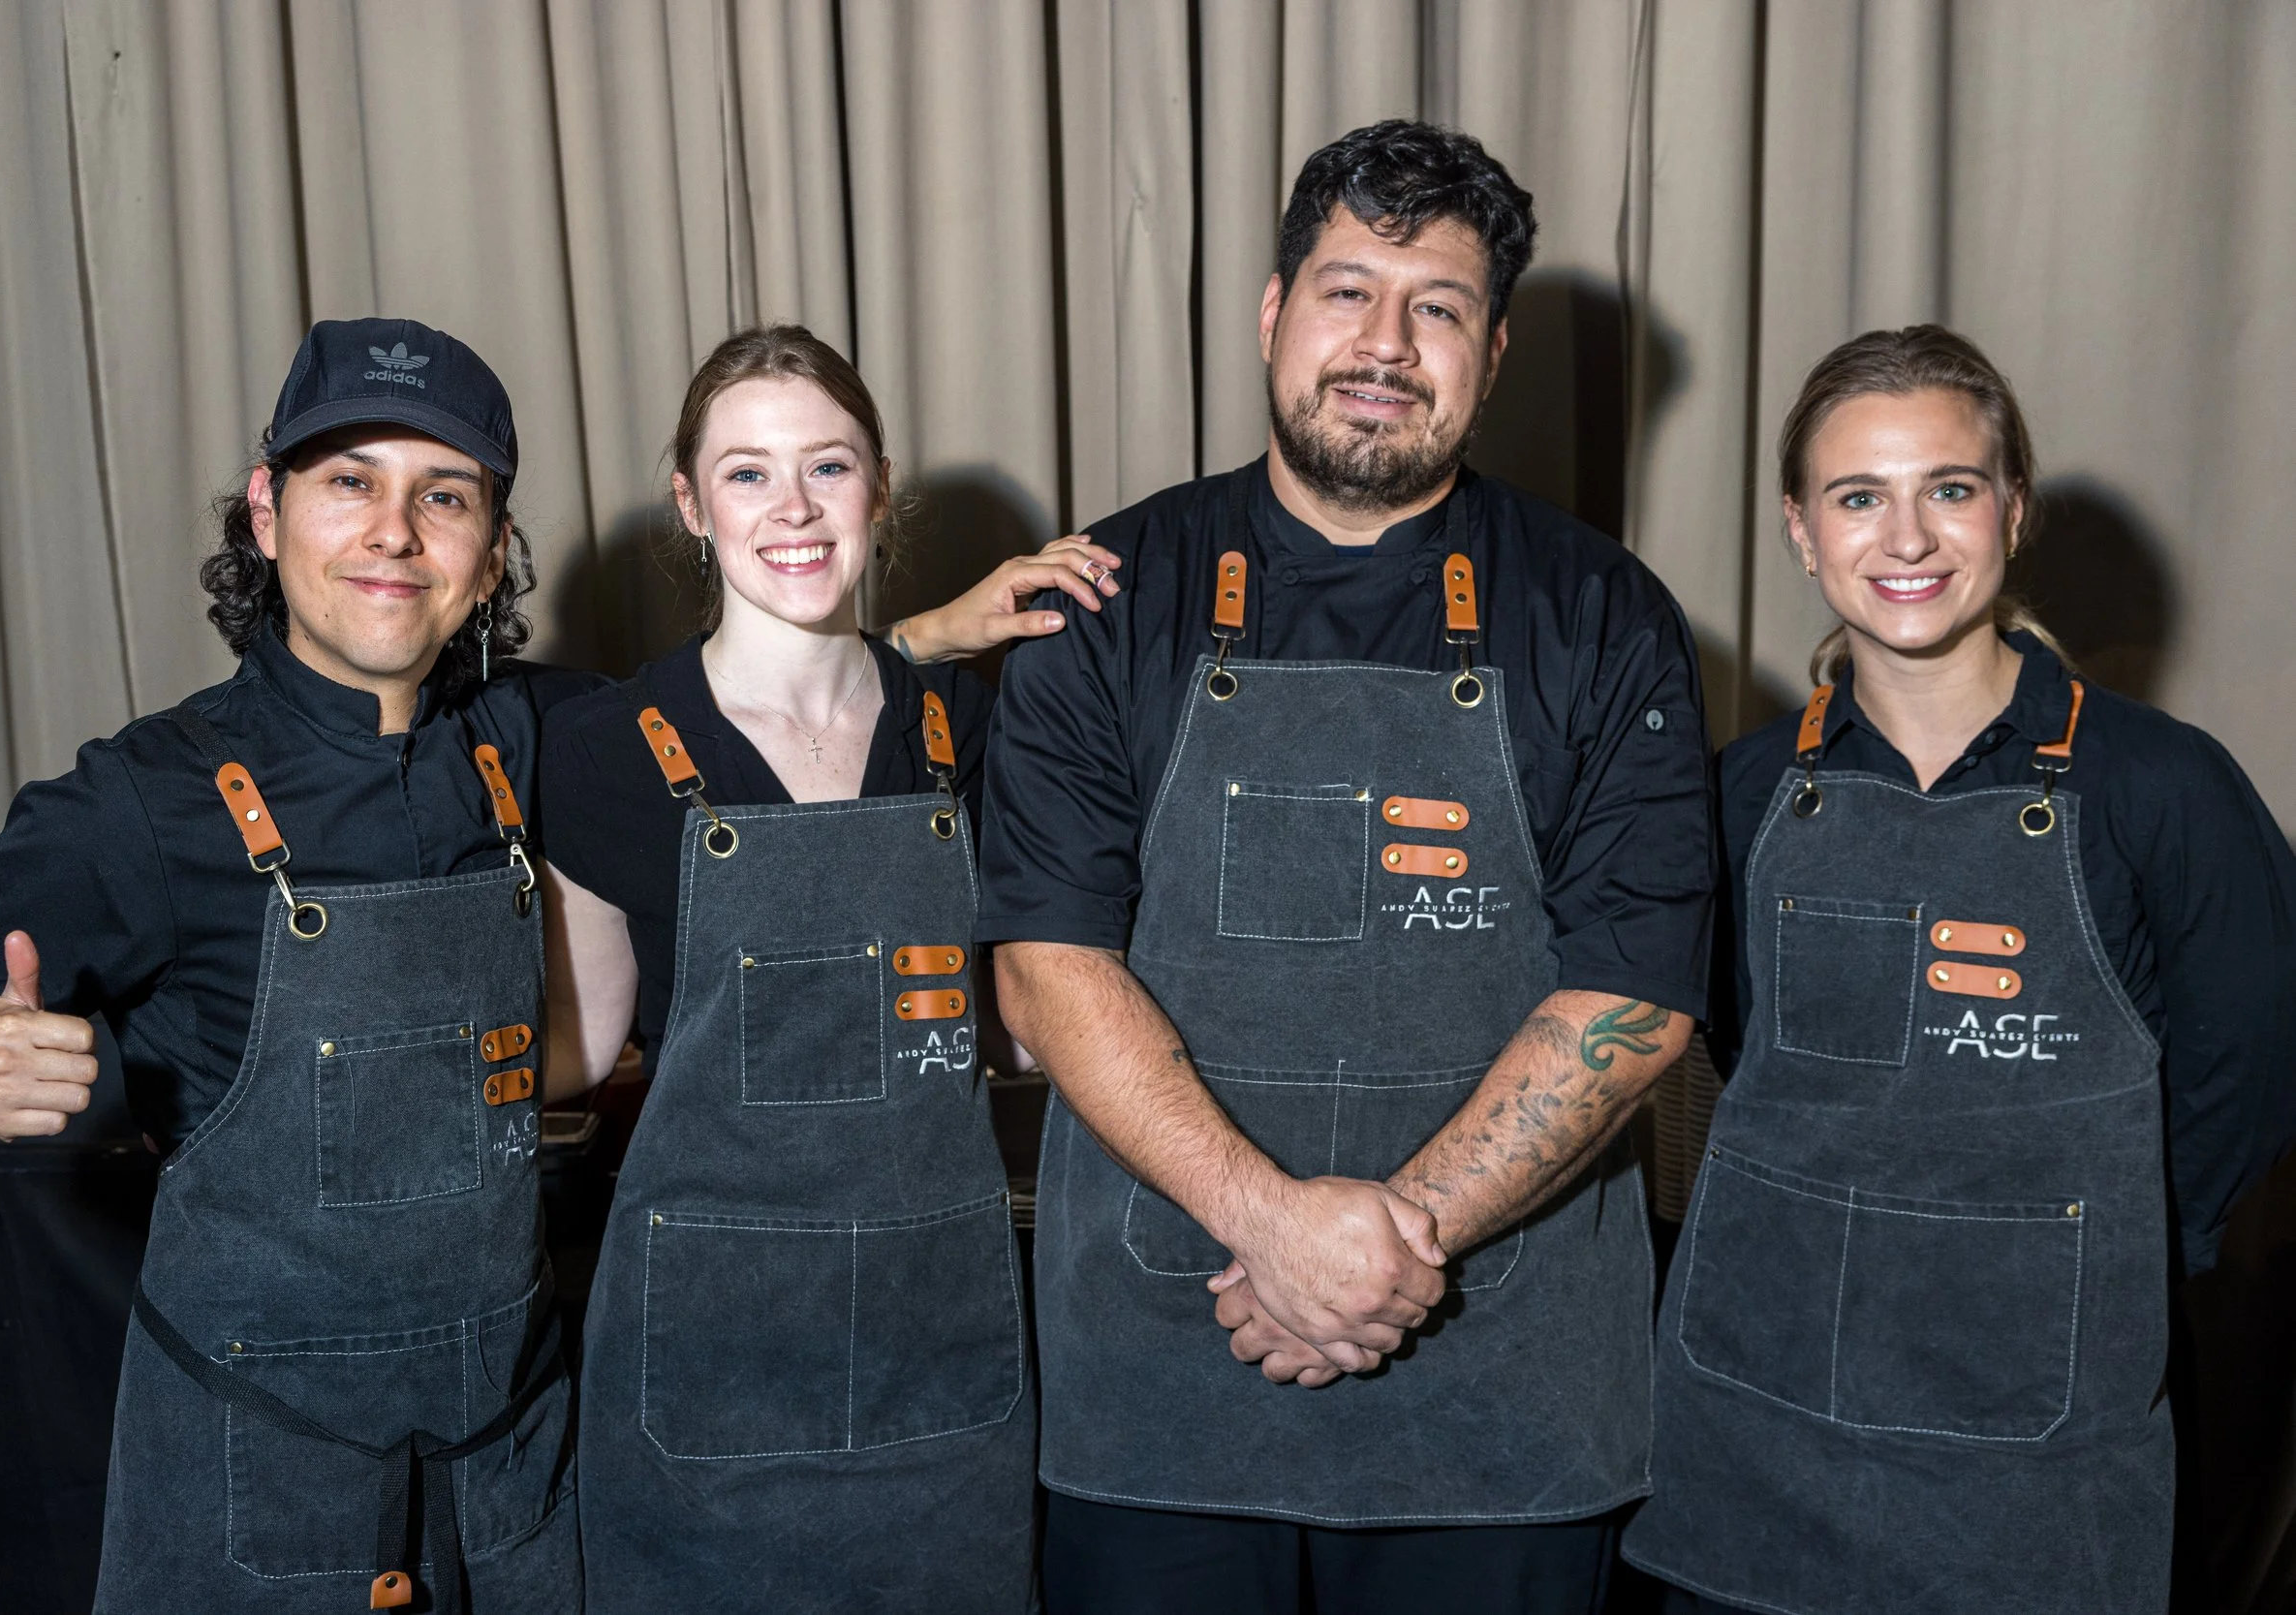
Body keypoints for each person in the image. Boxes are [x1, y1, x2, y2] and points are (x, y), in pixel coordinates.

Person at [983, 120, 1716, 1612]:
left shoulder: (1604, 616)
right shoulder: (1105, 598)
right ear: (1272, 313)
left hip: (1503, 1400)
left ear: (1492, 353)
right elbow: (1047, 970)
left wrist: (1389, 1243)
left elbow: (1637, 994)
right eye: (1347, 291)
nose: (1386, 342)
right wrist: (1272, 1222)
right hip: (1163, 1386)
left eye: (1437, 306)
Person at [0, 319, 590, 1611]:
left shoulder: (525, 734)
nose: (394, 532)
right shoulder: (145, 797)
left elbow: (738, 703)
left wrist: (916, 642)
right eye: (349, 481)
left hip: (509, 1467)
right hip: (259, 1480)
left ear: (491, 554)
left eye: (445, 495)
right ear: (267, 513)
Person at [1621, 326, 2296, 1615]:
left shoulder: (2161, 787)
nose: (1907, 537)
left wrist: (2085, 1255)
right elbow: (1731, 1055)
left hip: (2038, 1449)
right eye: (1857, 497)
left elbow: (2253, 1072)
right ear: (1800, 530)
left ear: (2014, 510)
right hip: (1755, 1424)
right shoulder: (1739, 794)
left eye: (1950, 487)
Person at [540, 324, 1121, 1614]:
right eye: (746, 473)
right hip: (704, 1355)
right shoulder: (598, 750)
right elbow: (573, 1048)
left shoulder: (971, 726)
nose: (792, 508)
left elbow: (1023, 1025)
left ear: (880, 488)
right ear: (690, 504)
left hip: (943, 1337)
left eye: (829, 466)